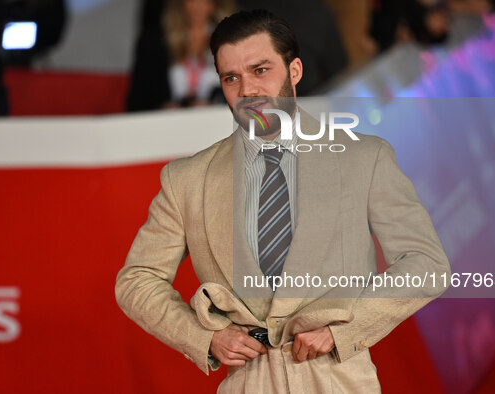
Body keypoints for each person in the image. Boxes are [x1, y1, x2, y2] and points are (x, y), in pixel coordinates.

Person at [116, 9, 451, 393]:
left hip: (339, 379)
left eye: (261, 70)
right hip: (247, 382)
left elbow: (427, 263)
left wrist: (348, 327)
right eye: (231, 78)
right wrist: (205, 337)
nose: (247, 91)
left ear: (294, 71)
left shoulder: (364, 158)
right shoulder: (188, 179)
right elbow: (136, 280)